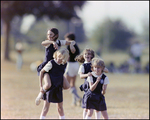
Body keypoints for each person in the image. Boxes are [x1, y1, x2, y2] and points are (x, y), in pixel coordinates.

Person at [35, 28, 75, 105]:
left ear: (56, 35)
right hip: (47, 67)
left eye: (51, 35)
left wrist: (72, 45)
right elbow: (43, 43)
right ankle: (40, 95)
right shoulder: (48, 43)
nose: (49, 36)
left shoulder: (59, 42)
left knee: (67, 86)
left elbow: (72, 42)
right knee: (48, 85)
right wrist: (52, 42)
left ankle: (54, 90)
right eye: (48, 34)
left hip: (56, 67)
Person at [75, 48, 109, 119]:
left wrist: (102, 68)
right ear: (83, 56)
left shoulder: (95, 64)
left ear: (92, 56)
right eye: (85, 54)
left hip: (97, 86)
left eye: (89, 54)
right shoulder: (83, 66)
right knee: (87, 107)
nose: (87, 55)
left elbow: (106, 70)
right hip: (88, 86)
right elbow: (81, 76)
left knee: (97, 107)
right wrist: (88, 74)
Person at [37, 48, 70, 119]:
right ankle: (41, 92)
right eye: (58, 57)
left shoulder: (65, 64)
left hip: (58, 86)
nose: (59, 59)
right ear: (56, 55)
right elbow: (42, 72)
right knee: (46, 107)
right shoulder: (51, 63)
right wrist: (40, 86)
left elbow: (61, 73)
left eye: (61, 59)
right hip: (50, 86)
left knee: (60, 107)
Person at [64, 32, 82, 106]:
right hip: (76, 65)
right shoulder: (76, 45)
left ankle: (78, 98)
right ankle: (74, 101)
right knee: (72, 84)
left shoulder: (69, 45)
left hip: (70, 65)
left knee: (66, 84)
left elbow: (67, 57)